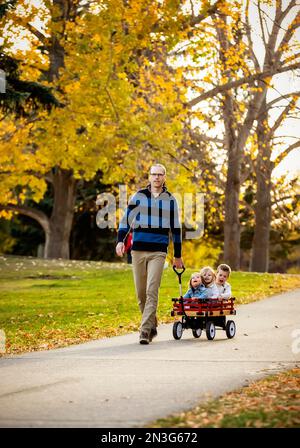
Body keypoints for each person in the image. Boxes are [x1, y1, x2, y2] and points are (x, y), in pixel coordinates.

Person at [116, 163, 183, 345]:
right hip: (137, 250)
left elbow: (176, 229)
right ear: (149, 176)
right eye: (154, 174)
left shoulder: (170, 199)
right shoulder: (138, 196)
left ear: (164, 177)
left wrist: (177, 255)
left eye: (160, 174)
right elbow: (125, 220)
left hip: (158, 252)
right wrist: (120, 241)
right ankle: (152, 324)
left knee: (152, 290)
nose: (157, 178)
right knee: (141, 294)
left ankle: (144, 332)